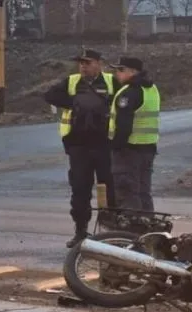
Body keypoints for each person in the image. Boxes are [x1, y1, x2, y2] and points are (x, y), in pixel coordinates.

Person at [44, 49, 119, 248]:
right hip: (79, 147)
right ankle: (80, 232)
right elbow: (49, 95)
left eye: (88, 63)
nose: (83, 67)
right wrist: (75, 103)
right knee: (80, 190)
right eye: (81, 63)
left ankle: (111, 233)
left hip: (105, 146)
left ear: (99, 63)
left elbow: (124, 102)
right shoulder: (72, 82)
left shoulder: (111, 82)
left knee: (108, 190)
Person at [107, 56, 160, 213]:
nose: (117, 73)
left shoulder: (129, 92)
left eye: (121, 70)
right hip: (148, 148)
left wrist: (115, 146)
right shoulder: (151, 88)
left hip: (128, 151)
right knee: (143, 193)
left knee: (127, 193)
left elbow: (123, 126)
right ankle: (148, 225)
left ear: (133, 71)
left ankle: (133, 226)